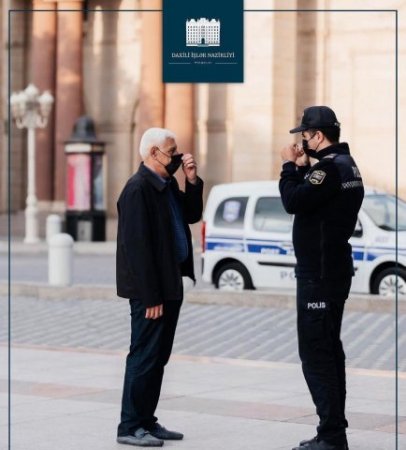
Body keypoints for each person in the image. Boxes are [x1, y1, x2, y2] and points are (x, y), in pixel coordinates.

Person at [279, 106, 364, 450]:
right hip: (334, 271)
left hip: (319, 275)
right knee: (330, 350)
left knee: (316, 352)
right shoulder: (347, 166)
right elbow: (314, 202)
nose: (301, 141)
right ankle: (333, 430)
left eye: (304, 135)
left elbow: (293, 201)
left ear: (317, 136)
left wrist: (289, 167)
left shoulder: (328, 171)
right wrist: (304, 168)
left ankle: (331, 434)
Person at [116, 127, 203, 447]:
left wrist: (191, 181)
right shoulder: (138, 189)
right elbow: (136, 248)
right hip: (150, 293)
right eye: (172, 150)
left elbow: (192, 214)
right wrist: (150, 295)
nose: (177, 156)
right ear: (153, 153)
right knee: (143, 355)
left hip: (169, 284)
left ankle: (146, 420)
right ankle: (129, 426)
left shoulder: (164, 186)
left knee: (158, 357)